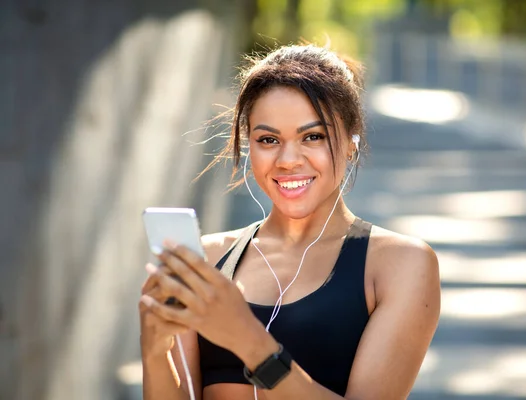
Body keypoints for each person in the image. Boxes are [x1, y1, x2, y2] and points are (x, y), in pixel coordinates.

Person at [139, 43, 440, 400]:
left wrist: (249, 341)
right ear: (248, 144)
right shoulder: (206, 259)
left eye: (313, 136)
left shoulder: (399, 265)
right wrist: (154, 348)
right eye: (268, 140)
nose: (288, 160)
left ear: (350, 142)